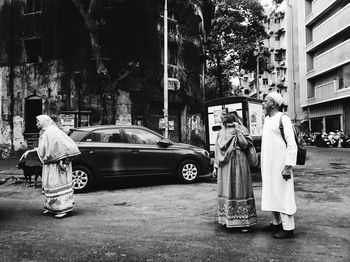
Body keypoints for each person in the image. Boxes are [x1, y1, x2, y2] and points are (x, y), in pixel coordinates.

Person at [20, 115, 81, 218]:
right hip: (50, 164)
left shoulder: (52, 131)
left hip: (57, 164)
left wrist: (63, 160)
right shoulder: (46, 132)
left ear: (44, 121)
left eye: (38, 121)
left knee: (58, 185)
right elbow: (44, 148)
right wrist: (30, 151)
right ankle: (53, 208)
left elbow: (62, 145)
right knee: (50, 185)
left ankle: (63, 209)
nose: (37, 124)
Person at [261, 91, 297, 239]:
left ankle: (288, 229)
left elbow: (292, 145)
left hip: (281, 166)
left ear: (273, 104)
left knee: (283, 195)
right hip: (269, 165)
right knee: (272, 193)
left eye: (265, 101)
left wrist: (288, 166)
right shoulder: (268, 119)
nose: (262, 103)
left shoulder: (284, 119)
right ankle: (275, 223)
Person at [212, 110, 257, 230]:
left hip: (225, 165)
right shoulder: (241, 129)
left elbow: (217, 150)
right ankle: (243, 222)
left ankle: (227, 219)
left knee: (227, 188)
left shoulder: (222, 131)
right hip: (238, 161)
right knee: (240, 188)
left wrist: (216, 166)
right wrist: (238, 131)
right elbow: (246, 145)